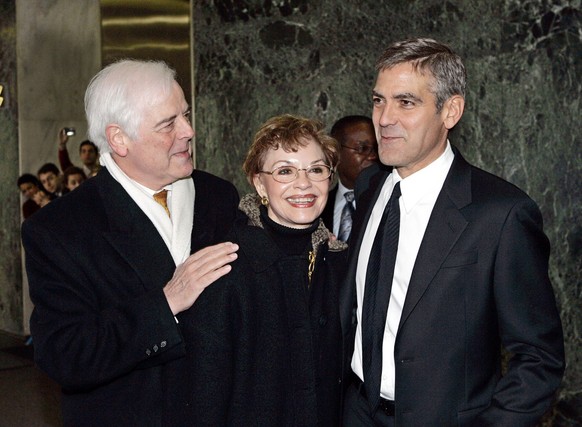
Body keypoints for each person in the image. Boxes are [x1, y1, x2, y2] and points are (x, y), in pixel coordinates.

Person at [341, 38, 565, 426]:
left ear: (451, 110)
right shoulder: (369, 187)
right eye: (379, 100)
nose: (384, 118)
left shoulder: (501, 213)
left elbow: (539, 358)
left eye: (406, 102)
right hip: (354, 410)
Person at [21, 59, 240, 426]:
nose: (188, 130)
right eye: (168, 124)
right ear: (119, 138)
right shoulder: (60, 228)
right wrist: (166, 303)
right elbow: (65, 354)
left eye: (185, 115)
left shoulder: (219, 196)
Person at [165, 114, 347, 426]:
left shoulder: (341, 263)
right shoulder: (224, 267)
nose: (304, 184)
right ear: (259, 182)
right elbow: (204, 397)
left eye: (316, 170)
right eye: (285, 171)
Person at [321, 115, 379, 241]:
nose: (373, 156)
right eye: (362, 148)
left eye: (376, 148)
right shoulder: (318, 206)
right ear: (335, 153)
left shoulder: (388, 202)